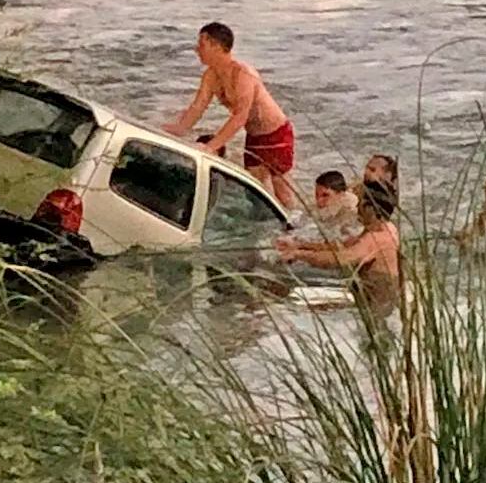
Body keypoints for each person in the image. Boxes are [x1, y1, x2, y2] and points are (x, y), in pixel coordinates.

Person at [163, 22, 296, 208]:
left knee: (283, 193)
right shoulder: (210, 76)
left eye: (201, 44)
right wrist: (174, 130)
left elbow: (240, 117)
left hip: (276, 132)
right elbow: (197, 108)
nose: (196, 49)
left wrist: (211, 147)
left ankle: (298, 230)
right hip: (254, 137)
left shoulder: (243, 74)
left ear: (217, 46)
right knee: (258, 196)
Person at [276, 181, 401, 319]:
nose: (357, 208)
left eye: (360, 204)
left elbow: (341, 259)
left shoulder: (377, 238)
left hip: (377, 309)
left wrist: (299, 254)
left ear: (370, 208)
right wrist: (300, 245)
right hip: (370, 302)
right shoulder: (385, 227)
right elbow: (342, 246)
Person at [311, 170, 361, 240]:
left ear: (341, 194)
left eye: (325, 195)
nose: (319, 200)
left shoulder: (349, 214)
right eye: (316, 194)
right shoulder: (323, 208)